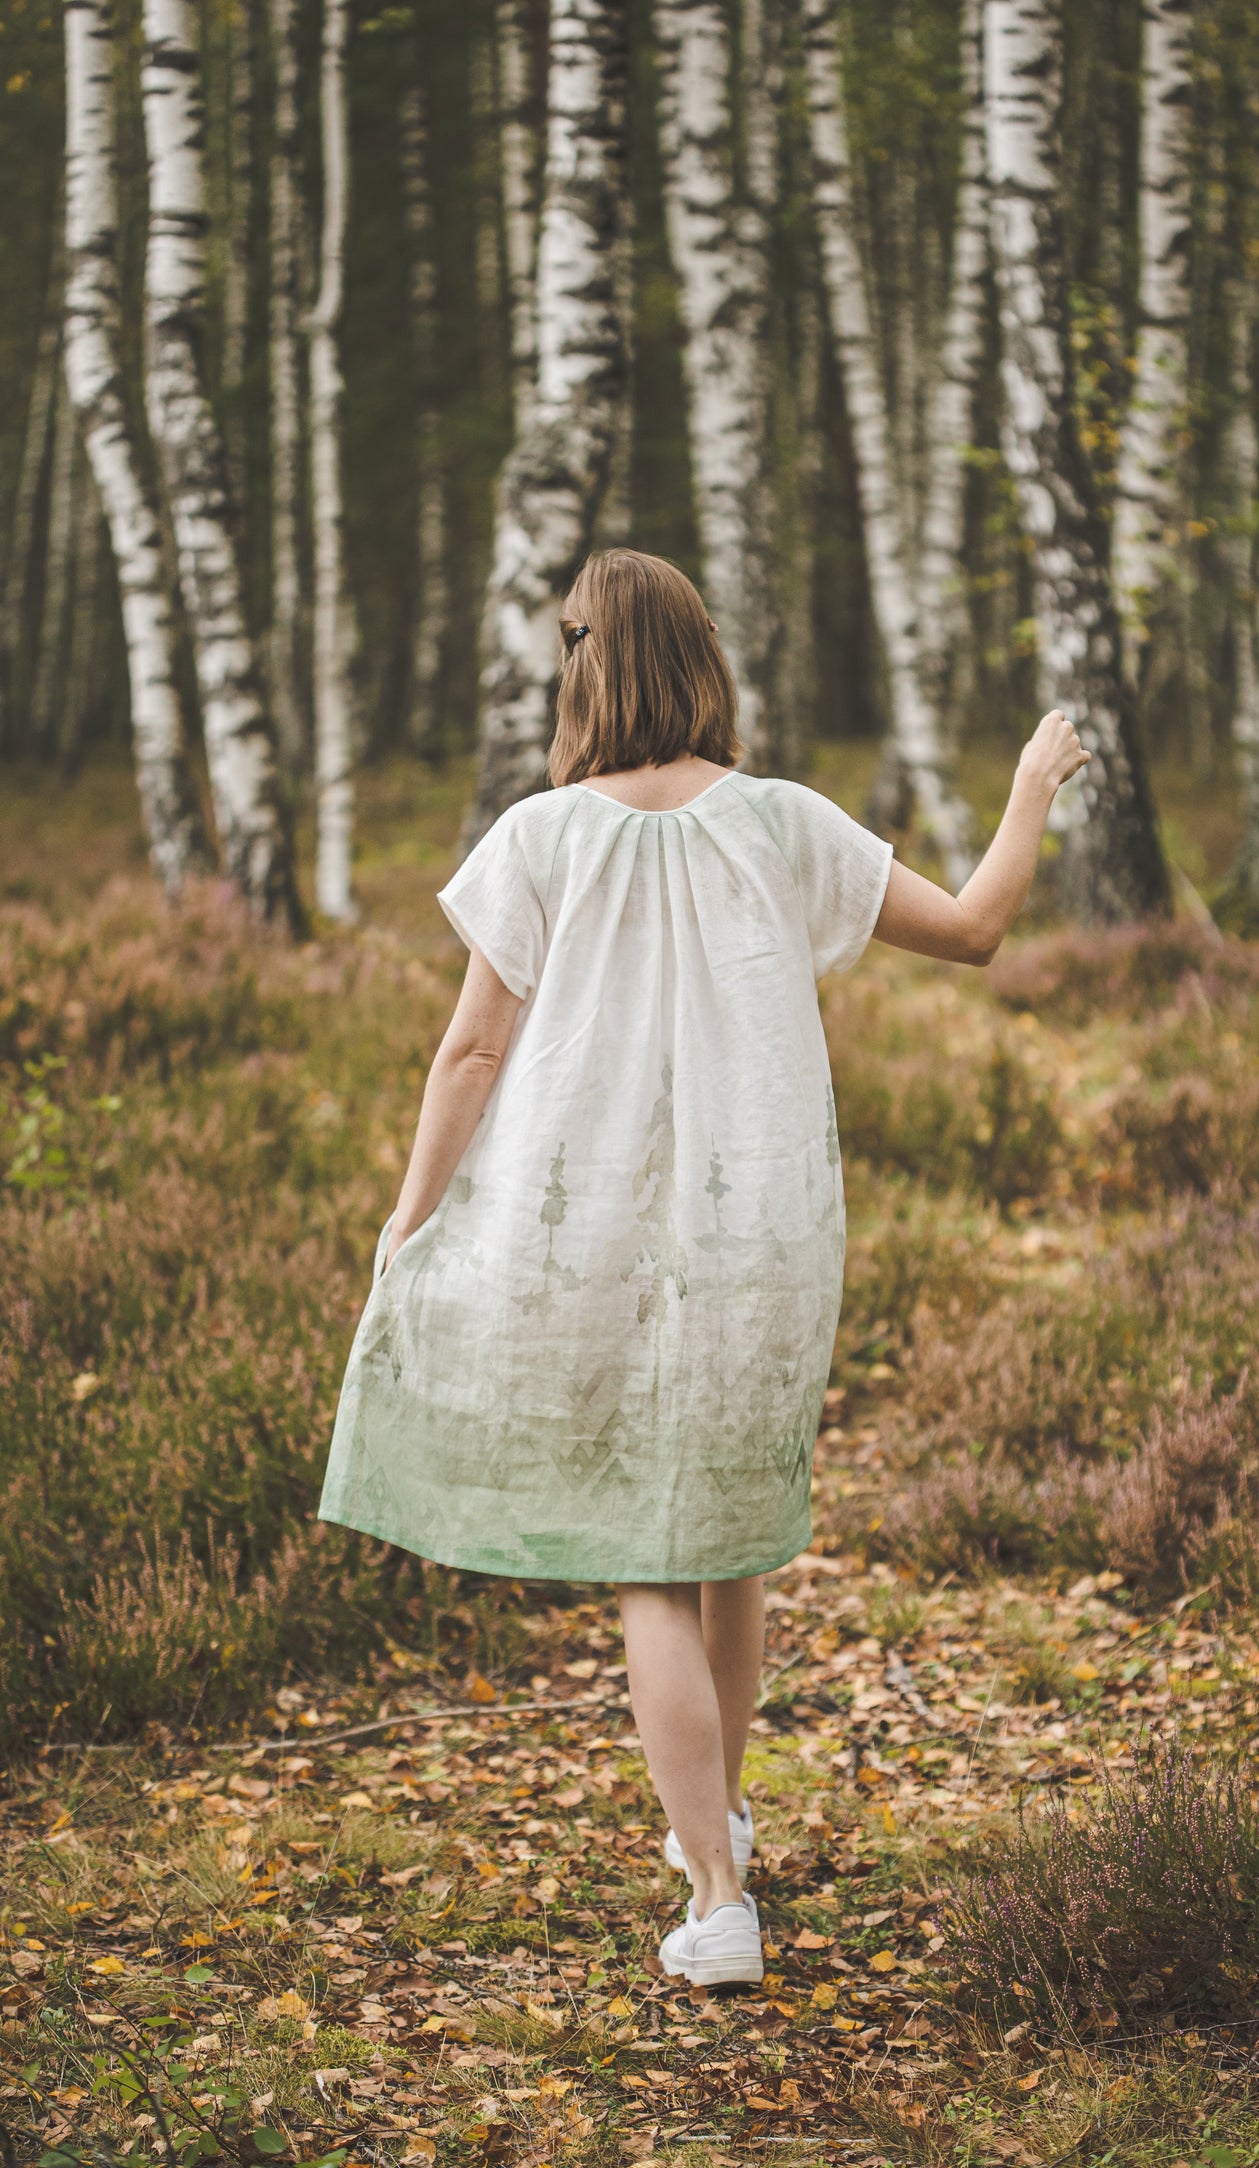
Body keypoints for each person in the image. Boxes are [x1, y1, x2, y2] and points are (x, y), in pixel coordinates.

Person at [318, 546, 1088, 1989]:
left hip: (586, 1239)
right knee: (728, 1544)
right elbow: (979, 930)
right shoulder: (783, 824)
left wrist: (407, 1224)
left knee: (647, 1571)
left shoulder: (540, 837)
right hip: (764, 1237)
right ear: (702, 659)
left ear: (586, 665)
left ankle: (719, 1896)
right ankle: (715, 1826)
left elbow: (472, 1052)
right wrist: (1032, 786)